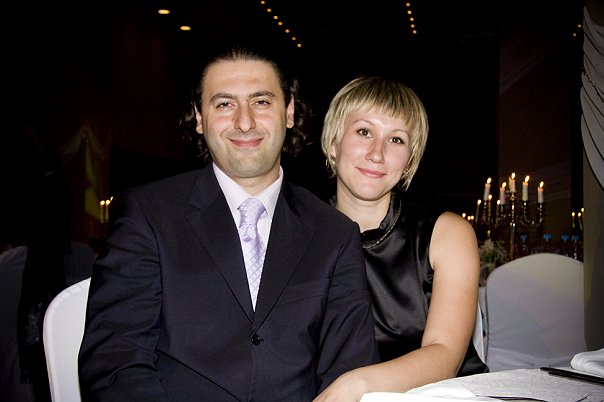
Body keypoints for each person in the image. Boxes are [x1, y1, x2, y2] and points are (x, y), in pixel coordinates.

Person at [78, 47, 379, 401]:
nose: (244, 122)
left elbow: (349, 367)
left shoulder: (335, 233)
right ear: (199, 117)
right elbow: (115, 359)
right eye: (224, 104)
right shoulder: (148, 214)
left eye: (261, 102)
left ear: (289, 112)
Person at [314, 76, 487, 400]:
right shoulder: (298, 234)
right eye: (364, 132)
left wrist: (358, 385)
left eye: (396, 140)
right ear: (334, 143)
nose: (377, 153)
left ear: (408, 161)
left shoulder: (447, 234)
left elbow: (445, 354)